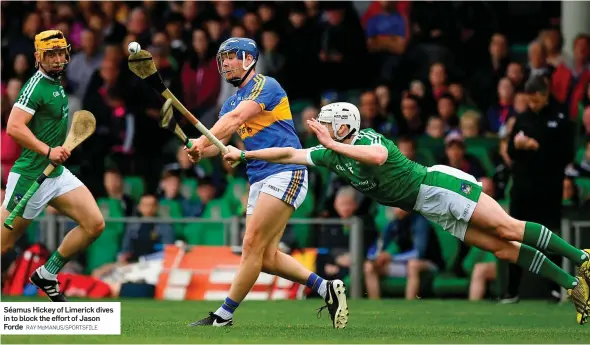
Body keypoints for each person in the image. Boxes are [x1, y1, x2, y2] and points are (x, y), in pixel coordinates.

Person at [223, 102, 590, 325]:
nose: (323, 129)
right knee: (500, 248)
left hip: (438, 186)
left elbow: (379, 158)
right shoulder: (331, 155)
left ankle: (581, 258)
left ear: (343, 126)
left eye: (329, 124)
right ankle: (575, 286)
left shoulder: (366, 139)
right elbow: (287, 155)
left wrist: (333, 144)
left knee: (508, 228)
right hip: (426, 206)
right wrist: (243, 155)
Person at [184, 37, 347, 328]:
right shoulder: (230, 102)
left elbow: (235, 120)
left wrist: (201, 140)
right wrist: (198, 151)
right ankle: (325, 288)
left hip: (285, 170)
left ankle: (223, 315)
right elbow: (215, 142)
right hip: (258, 177)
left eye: (231, 57)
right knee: (266, 257)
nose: (225, 63)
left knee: (250, 245)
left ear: (248, 58)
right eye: (222, 59)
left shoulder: (265, 86)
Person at [1, 30, 105, 301]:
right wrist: (48, 150)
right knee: (3, 245)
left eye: (61, 53)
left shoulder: (57, 82)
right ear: (38, 57)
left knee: (94, 224)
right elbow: (13, 127)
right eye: (51, 55)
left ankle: (47, 274)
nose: (58, 59)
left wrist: (52, 154)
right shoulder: (35, 86)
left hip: (55, 174)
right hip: (30, 175)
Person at [503, 75, 574, 303]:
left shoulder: (561, 118)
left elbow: (566, 155)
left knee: (550, 239)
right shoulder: (522, 118)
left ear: (545, 94)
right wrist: (516, 146)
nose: (532, 105)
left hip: (548, 189)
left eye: (536, 100)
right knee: (514, 236)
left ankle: (554, 289)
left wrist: (536, 146)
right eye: (529, 100)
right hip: (522, 188)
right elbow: (512, 153)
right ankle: (512, 290)